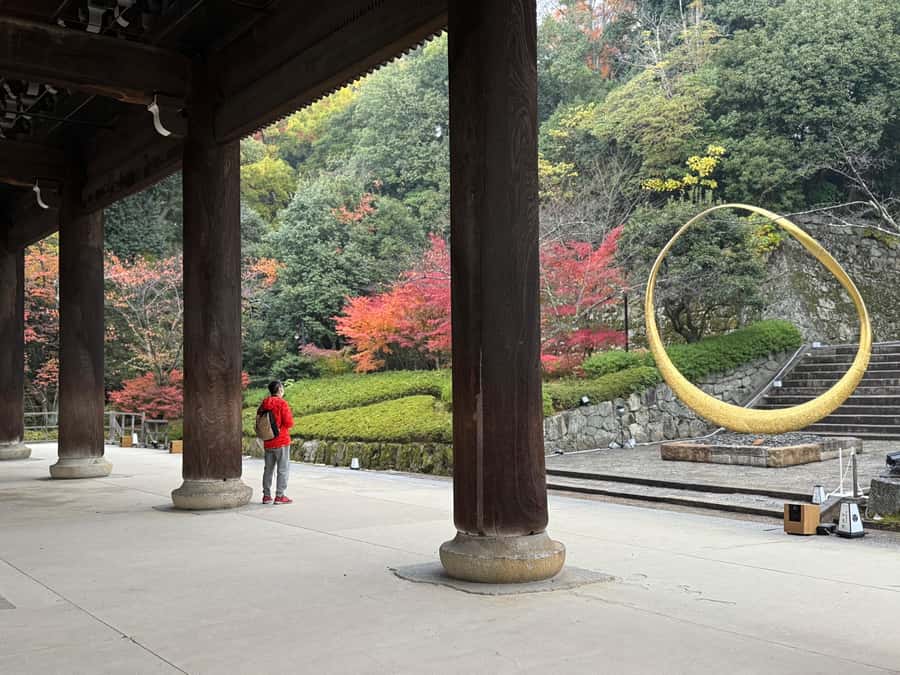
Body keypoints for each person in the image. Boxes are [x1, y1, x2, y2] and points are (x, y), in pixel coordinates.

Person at [258, 380, 294, 505]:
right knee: (283, 469)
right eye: (282, 387)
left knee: (268, 469)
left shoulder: (264, 403)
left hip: (268, 441)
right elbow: (289, 423)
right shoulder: (282, 403)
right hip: (281, 440)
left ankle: (266, 496)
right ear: (279, 389)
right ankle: (279, 496)